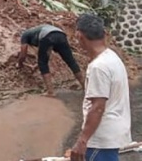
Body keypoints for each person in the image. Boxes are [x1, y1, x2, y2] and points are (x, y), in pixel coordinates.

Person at [70, 13, 131, 161]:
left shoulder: (98, 67)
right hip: (112, 135)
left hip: (101, 139)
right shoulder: (112, 57)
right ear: (104, 34)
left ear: (79, 36)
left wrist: (82, 141)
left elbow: (98, 106)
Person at [17, 24, 84, 97]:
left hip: (48, 36)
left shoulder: (24, 35)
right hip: (61, 34)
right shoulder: (36, 31)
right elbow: (47, 52)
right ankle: (85, 86)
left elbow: (23, 54)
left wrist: (20, 64)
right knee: (71, 61)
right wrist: (37, 65)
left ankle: (50, 92)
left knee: (42, 64)